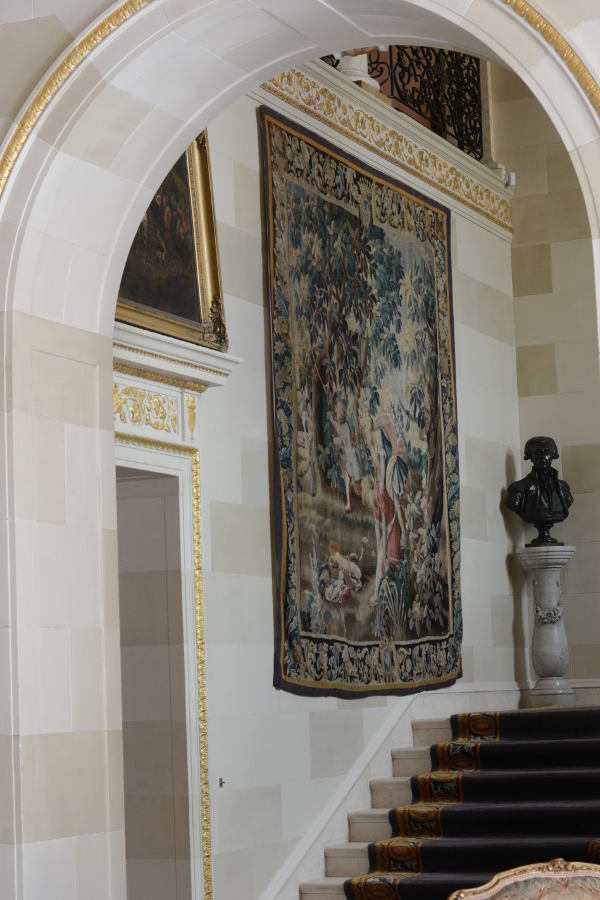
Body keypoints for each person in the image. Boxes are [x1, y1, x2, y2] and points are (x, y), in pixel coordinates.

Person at [504, 436, 573, 545]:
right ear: (530, 457)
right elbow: (512, 504)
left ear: (553, 455)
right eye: (538, 452)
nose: (543, 456)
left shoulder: (563, 488)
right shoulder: (518, 488)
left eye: (547, 452)